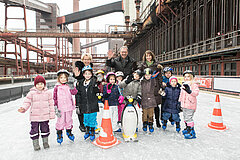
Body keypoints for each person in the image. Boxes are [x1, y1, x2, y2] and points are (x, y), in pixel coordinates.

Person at [18, 75, 55, 151]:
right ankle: (36, 144)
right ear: (35, 85)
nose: (40, 85)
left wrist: (52, 114)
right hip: (34, 116)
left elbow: (51, 104)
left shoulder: (48, 93)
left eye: (41, 84)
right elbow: (27, 102)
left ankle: (45, 142)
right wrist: (23, 108)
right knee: (34, 130)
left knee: (45, 129)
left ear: (44, 84)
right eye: (38, 84)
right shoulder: (31, 93)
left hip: (44, 116)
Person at [138, 50, 163, 128]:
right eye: (147, 56)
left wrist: (161, 86)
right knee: (146, 106)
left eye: (149, 55)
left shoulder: (157, 65)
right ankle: (147, 121)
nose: (148, 57)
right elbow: (139, 75)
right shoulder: (142, 66)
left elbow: (160, 77)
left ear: (152, 56)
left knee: (155, 105)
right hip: (146, 87)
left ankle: (157, 121)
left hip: (155, 87)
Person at [53, 69, 78, 144]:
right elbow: (54, 98)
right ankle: (59, 134)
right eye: (61, 77)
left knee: (68, 120)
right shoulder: (57, 87)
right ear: (58, 78)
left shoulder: (69, 86)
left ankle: (69, 132)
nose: (63, 79)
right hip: (60, 108)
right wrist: (55, 107)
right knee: (60, 121)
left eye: (64, 77)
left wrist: (72, 86)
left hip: (69, 107)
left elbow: (75, 92)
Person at [75, 66, 99, 141]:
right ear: (83, 74)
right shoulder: (81, 83)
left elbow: (97, 92)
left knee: (92, 119)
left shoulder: (94, 82)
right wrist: (78, 105)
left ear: (91, 74)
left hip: (92, 105)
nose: (87, 75)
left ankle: (92, 131)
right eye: (86, 74)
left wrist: (96, 88)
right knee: (86, 119)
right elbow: (78, 94)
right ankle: (87, 130)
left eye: (89, 73)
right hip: (84, 105)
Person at [73, 53, 94, 132]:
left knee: (87, 106)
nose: (86, 61)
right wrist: (77, 76)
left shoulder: (90, 67)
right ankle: (81, 124)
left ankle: (88, 123)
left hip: (88, 89)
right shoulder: (78, 67)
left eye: (88, 59)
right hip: (80, 89)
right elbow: (75, 76)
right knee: (80, 107)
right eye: (85, 59)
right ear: (82, 60)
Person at [179, 70, 199, 139]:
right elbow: (181, 94)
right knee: (185, 117)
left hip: (190, 104)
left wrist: (190, 91)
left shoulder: (194, 84)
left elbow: (196, 93)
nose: (187, 78)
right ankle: (187, 128)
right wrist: (179, 102)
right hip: (184, 104)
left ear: (192, 77)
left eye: (188, 76)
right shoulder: (184, 84)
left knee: (188, 118)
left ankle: (191, 132)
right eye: (185, 77)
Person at [141, 68, 158, 133]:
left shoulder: (153, 81)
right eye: (146, 75)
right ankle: (144, 123)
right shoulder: (142, 82)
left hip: (151, 100)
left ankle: (150, 123)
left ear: (151, 75)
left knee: (151, 113)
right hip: (144, 99)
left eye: (149, 75)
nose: (147, 76)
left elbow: (156, 85)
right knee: (144, 113)